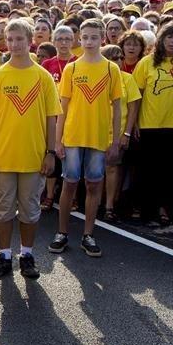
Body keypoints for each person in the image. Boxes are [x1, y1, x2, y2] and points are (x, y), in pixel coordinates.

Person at [0, 18, 60, 280]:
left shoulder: (43, 77)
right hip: (3, 157)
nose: (15, 44)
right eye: (11, 39)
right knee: (2, 210)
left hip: (34, 157)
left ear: (30, 41)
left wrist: (50, 152)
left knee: (30, 210)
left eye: (20, 39)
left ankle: (26, 254)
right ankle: (4, 255)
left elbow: (52, 118)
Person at [50, 19, 122, 257]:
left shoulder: (112, 69)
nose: (89, 41)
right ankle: (61, 232)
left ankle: (88, 234)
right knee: (69, 183)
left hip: (99, 139)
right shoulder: (71, 68)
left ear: (102, 39)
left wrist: (114, 141)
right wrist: (58, 141)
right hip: (73, 136)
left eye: (94, 37)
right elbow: (63, 107)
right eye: (85, 37)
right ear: (79, 38)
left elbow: (118, 108)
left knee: (93, 185)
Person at [132, 23, 173, 226]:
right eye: (169, 37)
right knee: (149, 171)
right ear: (160, 39)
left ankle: (167, 209)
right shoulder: (146, 63)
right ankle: (148, 210)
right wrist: (135, 122)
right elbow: (136, 96)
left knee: (170, 171)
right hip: (149, 124)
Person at [100, 43, 140, 222]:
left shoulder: (127, 78)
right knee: (94, 171)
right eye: (113, 57)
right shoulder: (96, 78)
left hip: (116, 133)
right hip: (95, 132)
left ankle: (109, 206)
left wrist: (127, 134)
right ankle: (95, 202)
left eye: (120, 57)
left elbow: (133, 108)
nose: (117, 61)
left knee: (112, 168)